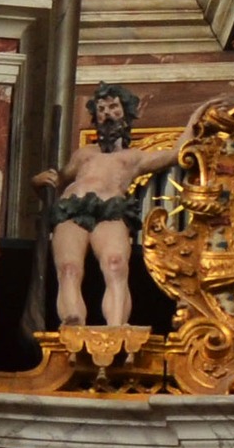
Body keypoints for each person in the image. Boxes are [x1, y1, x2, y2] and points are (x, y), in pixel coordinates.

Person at [32, 82, 180, 329]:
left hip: (110, 209)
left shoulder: (134, 157)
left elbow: (174, 154)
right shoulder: (84, 154)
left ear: (126, 112)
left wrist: (197, 121)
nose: (107, 114)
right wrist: (38, 181)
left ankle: (116, 327)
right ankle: (72, 322)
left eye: (113, 107)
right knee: (69, 268)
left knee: (116, 263)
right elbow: (57, 179)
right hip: (71, 208)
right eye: (101, 109)